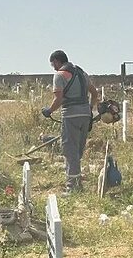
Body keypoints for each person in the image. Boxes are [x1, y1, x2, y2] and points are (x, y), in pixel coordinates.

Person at [42, 50, 100, 192]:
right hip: (85, 116)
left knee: (70, 150)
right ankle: (77, 181)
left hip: (70, 116)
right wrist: (90, 109)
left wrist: (49, 111)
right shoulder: (82, 73)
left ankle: (72, 187)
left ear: (57, 61)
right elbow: (95, 93)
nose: (54, 68)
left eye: (53, 64)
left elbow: (59, 99)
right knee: (77, 150)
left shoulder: (59, 75)